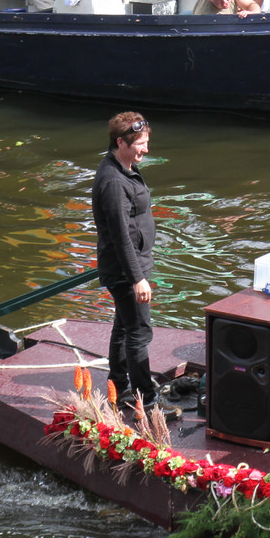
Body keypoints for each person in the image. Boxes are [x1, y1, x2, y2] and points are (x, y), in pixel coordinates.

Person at [93, 112, 158, 410]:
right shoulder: (114, 182)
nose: (146, 149)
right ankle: (146, 398)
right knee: (139, 332)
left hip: (131, 266)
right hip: (125, 272)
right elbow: (120, 236)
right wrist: (137, 279)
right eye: (140, 144)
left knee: (124, 326)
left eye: (146, 142)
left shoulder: (124, 167)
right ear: (121, 142)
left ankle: (118, 385)